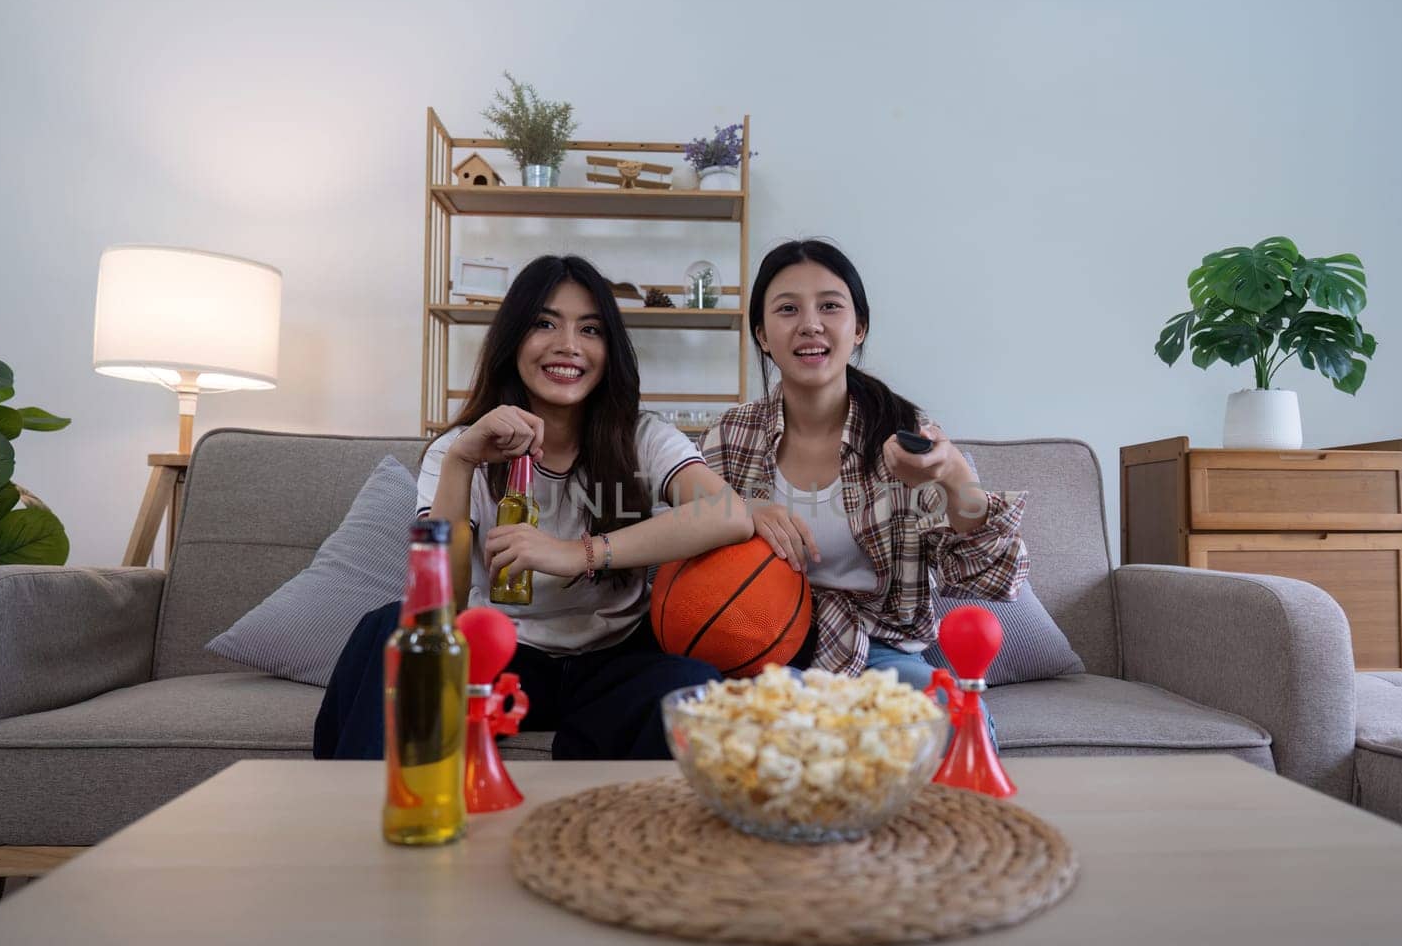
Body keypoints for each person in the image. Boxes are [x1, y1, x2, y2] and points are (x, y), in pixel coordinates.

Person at [314, 254, 752, 761]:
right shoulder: (458, 449)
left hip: (611, 666)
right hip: (497, 659)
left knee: (695, 684)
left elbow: (728, 514)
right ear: (512, 339)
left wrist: (576, 553)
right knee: (391, 627)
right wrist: (461, 461)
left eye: (590, 330)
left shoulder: (644, 436)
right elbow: (444, 602)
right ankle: (363, 821)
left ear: (610, 350)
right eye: (545, 323)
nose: (568, 345)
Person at [700, 239, 1027, 697]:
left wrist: (953, 472)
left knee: (947, 723)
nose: (810, 325)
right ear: (761, 333)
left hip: (881, 649)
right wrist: (741, 513)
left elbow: (990, 576)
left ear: (859, 328)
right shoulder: (729, 436)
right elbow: (686, 555)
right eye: (788, 309)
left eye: (830, 306)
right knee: (774, 726)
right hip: (764, 647)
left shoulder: (904, 432)